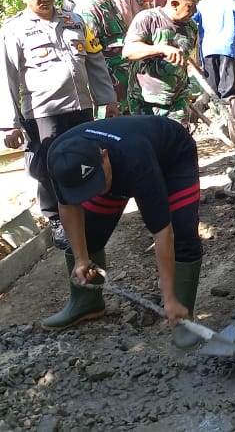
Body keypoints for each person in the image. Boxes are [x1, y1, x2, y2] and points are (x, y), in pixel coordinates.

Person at [41, 115, 205, 350]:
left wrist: (168, 298)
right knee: (88, 234)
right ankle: (87, 303)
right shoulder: (60, 156)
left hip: (172, 156)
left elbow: (162, 233)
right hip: (123, 162)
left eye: (98, 183)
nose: (99, 191)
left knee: (182, 232)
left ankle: (182, 315)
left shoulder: (136, 160)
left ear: (103, 156)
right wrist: (81, 258)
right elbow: (67, 205)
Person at [0, 0, 118, 251]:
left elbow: (95, 60)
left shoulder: (74, 20)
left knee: (85, 156)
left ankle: (86, 210)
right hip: (43, 112)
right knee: (49, 165)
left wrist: (107, 98)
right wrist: (9, 123)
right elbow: (6, 78)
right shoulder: (15, 30)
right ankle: (56, 219)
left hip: (80, 106)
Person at [123, 0, 201, 122]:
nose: (194, 12)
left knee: (177, 142)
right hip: (145, 102)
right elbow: (128, 50)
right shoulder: (148, 19)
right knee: (149, 143)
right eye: (190, 6)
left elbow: (187, 58)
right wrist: (161, 48)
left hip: (177, 101)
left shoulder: (191, 27)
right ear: (174, 4)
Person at [73, 0, 129, 113]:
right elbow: (92, 55)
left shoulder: (108, 1)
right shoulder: (88, 9)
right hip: (108, 84)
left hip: (123, 80)